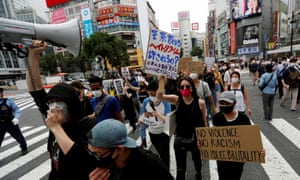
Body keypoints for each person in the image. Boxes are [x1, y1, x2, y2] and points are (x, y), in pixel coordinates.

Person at [26, 40, 97, 179]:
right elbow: (35, 90)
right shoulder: (57, 121)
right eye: (51, 102)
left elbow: (81, 158)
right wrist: (33, 55)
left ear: (71, 104)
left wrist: (56, 127)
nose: (54, 106)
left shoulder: (89, 127)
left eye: (59, 102)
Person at [45, 116, 174, 180]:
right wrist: (56, 127)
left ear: (119, 149)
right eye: (91, 152)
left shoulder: (150, 167)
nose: (94, 157)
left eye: (98, 154)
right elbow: (75, 152)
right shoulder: (103, 161)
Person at [157, 75, 207, 180]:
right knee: (180, 169)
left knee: (198, 165)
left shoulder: (200, 103)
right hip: (179, 140)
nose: (185, 89)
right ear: (179, 89)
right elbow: (160, 96)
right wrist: (161, 82)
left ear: (192, 88)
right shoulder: (177, 100)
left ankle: (198, 173)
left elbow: (204, 122)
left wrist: (204, 138)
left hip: (195, 140)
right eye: (182, 87)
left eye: (187, 86)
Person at [212, 91, 265, 180]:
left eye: (227, 103)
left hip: (237, 160)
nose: (224, 105)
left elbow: (250, 138)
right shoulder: (217, 118)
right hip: (222, 159)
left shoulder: (243, 119)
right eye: (222, 103)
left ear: (234, 103)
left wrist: (259, 150)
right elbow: (213, 137)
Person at [139, 79, 171, 169]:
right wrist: (143, 136)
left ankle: (166, 171)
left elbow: (167, 120)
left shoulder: (165, 101)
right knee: (159, 153)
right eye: (150, 94)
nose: (152, 96)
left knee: (165, 155)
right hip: (152, 133)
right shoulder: (145, 101)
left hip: (163, 133)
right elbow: (142, 118)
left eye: (154, 94)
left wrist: (158, 114)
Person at [0, 87, 28, 155]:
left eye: (1, 92)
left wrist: (16, 118)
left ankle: (24, 148)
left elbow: (16, 110)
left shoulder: (8, 101)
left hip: (10, 122)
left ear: (2, 93)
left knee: (18, 136)